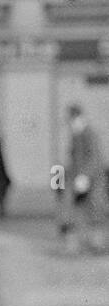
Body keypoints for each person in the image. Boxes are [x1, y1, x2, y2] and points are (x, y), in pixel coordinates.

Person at [60, 104, 106, 254]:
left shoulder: (89, 134)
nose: (70, 123)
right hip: (78, 179)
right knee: (72, 209)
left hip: (94, 179)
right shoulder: (75, 136)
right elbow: (73, 159)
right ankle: (73, 244)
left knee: (95, 208)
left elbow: (95, 158)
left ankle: (97, 243)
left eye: (71, 119)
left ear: (78, 118)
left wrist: (84, 176)